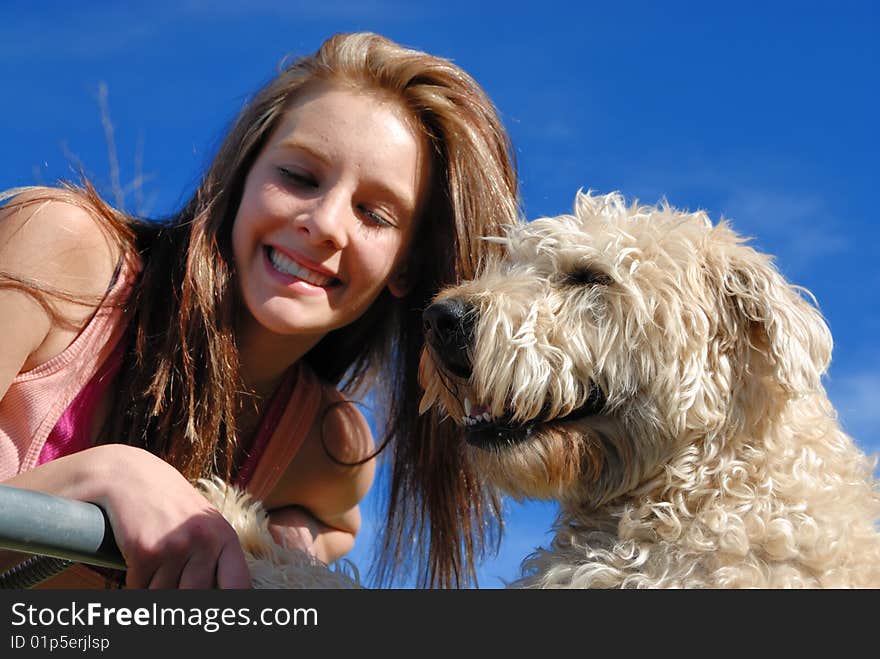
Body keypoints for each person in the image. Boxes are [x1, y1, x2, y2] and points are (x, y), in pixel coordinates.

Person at [0, 32, 520, 589]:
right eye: (298, 177)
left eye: (373, 213)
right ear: (242, 176)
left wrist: (284, 539)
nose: (324, 223)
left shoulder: (325, 444)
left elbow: (335, 526)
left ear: (406, 268)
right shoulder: (61, 252)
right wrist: (102, 475)